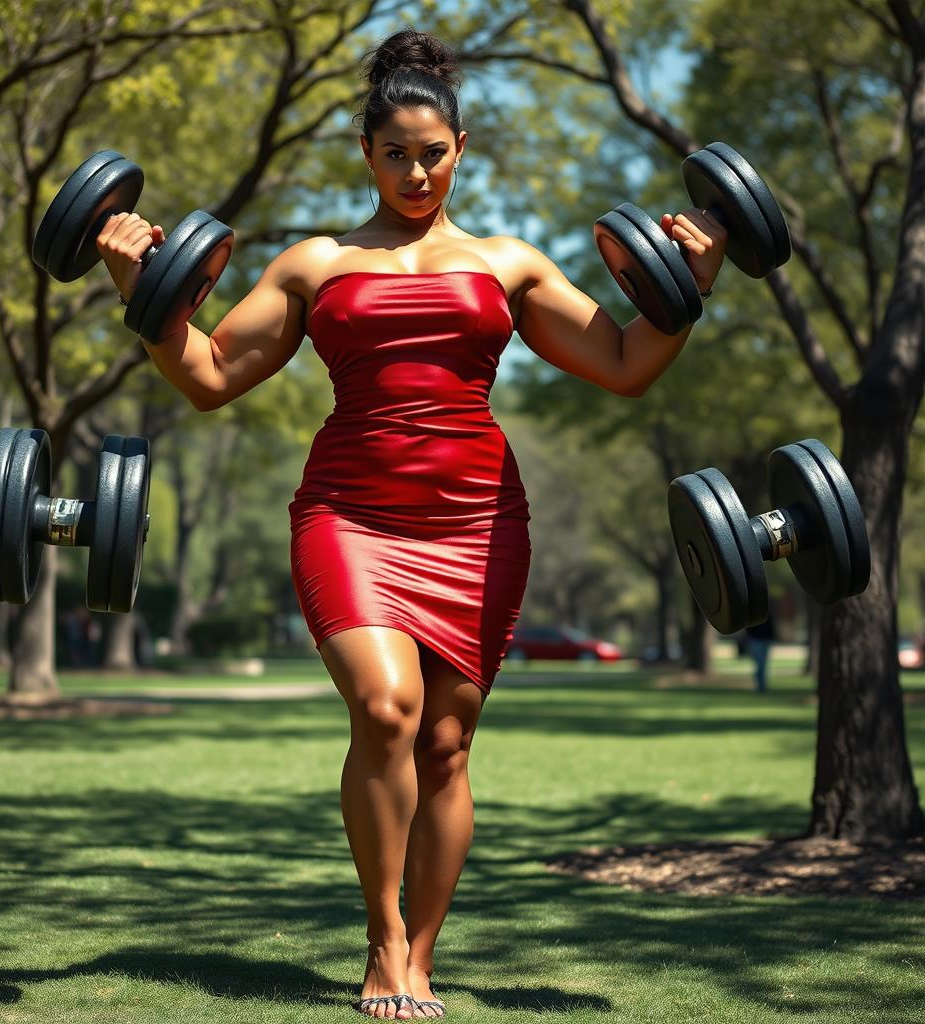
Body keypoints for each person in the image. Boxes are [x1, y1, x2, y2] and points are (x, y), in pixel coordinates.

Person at [96, 27, 727, 1021]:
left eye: (432, 152)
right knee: (385, 708)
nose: (415, 171)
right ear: (366, 153)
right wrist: (139, 290)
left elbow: (623, 362)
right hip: (350, 512)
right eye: (395, 153)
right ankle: (381, 937)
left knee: (444, 743)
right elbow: (210, 375)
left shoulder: (507, 262)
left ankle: (421, 954)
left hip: (477, 521)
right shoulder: (314, 264)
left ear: (461, 148)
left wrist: (696, 283)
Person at [746, 607, 776, 693]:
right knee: (760, 664)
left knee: (763, 664)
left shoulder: (768, 613)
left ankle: (762, 686)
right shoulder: (753, 615)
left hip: (765, 640)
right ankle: (760, 686)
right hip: (756, 640)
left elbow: (771, 627)